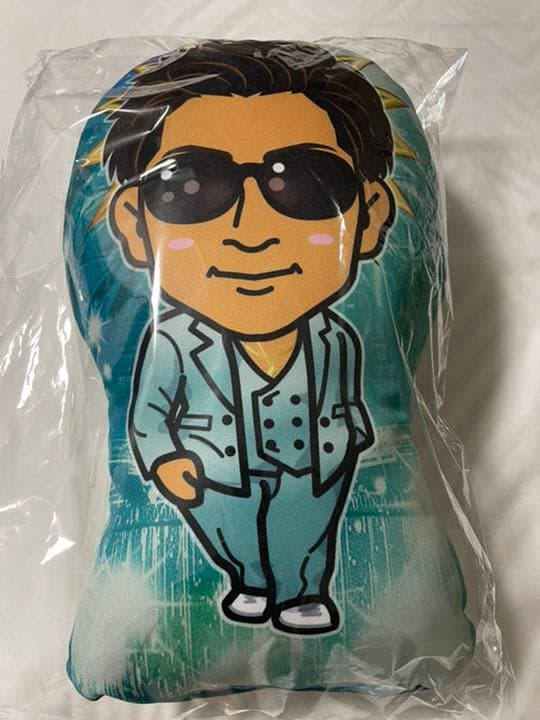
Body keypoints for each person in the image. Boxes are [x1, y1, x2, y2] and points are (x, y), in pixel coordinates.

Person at [105, 39, 395, 635]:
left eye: (306, 184)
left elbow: (344, 393)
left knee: (308, 526)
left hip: (315, 459)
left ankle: (303, 591)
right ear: (134, 224)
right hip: (215, 465)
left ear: (368, 216)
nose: (251, 231)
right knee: (227, 528)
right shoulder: (172, 341)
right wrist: (163, 458)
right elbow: (150, 410)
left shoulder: (334, 337)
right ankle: (251, 579)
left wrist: (350, 435)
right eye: (191, 188)